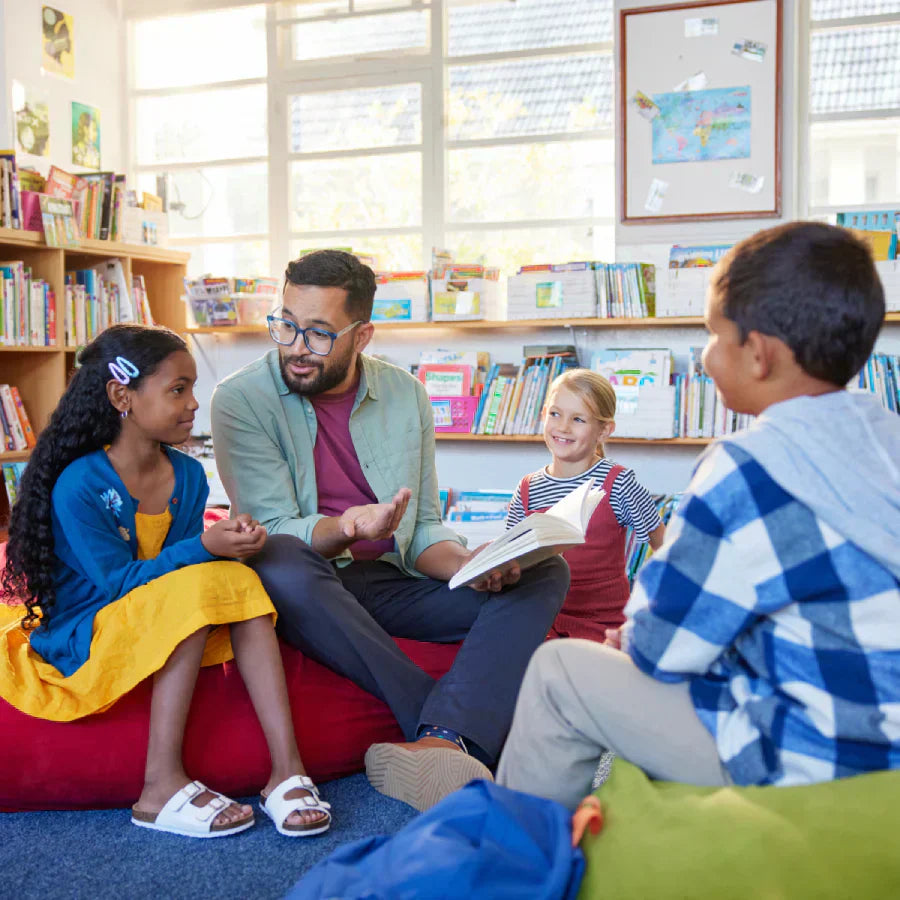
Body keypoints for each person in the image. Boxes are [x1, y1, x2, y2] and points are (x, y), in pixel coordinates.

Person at [497, 221, 900, 810]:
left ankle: (512, 863)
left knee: (558, 673)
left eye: (713, 335)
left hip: (820, 751)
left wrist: (632, 637)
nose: (707, 356)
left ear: (757, 353)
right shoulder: (885, 435)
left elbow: (662, 646)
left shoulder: (744, 466)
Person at [210, 249, 569, 812]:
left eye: (319, 334)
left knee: (544, 569)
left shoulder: (406, 394)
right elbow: (271, 527)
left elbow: (422, 527)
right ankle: (445, 721)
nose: (297, 348)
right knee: (278, 555)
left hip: (388, 583)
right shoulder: (240, 398)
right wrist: (347, 527)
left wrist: (472, 565)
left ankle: (441, 741)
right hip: (305, 587)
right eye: (286, 325)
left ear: (363, 335)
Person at [0, 324, 331, 838]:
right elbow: (116, 583)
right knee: (196, 588)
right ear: (121, 395)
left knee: (236, 580)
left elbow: (182, 565)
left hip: (154, 610)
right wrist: (205, 546)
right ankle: (159, 785)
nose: (194, 404)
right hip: (88, 625)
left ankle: (286, 769)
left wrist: (231, 542)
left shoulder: (189, 476)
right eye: (178, 389)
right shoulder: (81, 482)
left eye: (192, 388)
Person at [506, 368, 665, 642]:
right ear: (543, 414)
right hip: (542, 622)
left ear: (604, 430)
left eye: (578, 419)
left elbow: (665, 547)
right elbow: (510, 560)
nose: (563, 427)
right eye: (555, 414)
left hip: (603, 626)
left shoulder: (618, 483)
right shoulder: (527, 489)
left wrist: (654, 610)